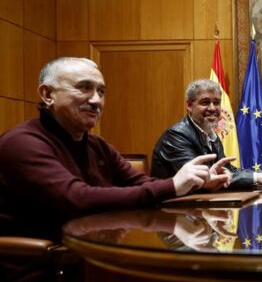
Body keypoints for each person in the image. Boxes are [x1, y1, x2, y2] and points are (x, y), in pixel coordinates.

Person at [0, 58, 233, 241]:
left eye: (101, 92)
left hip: (96, 255)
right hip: (45, 271)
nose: (96, 100)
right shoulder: (21, 143)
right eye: (84, 88)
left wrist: (196, 182)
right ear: (47, 94)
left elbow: (144, 184)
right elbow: (76, 199)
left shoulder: (96, 145)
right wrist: (173, 185)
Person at [151, 79, 262, 189]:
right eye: (205, 102)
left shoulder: (210, 134)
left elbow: (226, 169)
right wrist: (256, 178)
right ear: (189, 105)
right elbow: (201, 179)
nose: (212, 108)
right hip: (170, 213)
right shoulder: (176, 137)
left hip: (198, 207)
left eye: (216, 103)